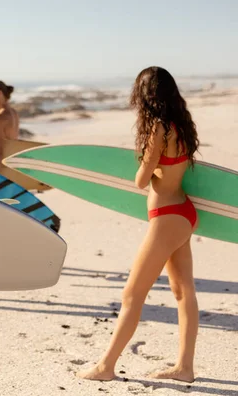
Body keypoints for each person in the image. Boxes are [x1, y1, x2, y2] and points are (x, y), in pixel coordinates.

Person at [78, 67, 200, 383]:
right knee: (183, 291)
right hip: (184, 212)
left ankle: (106, 367)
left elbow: (141, 180)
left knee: (132, 294)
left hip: (166, 219)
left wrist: (147, 159)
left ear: (144, 96)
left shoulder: (157, 131)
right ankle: (184, 368)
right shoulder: (181, 127)